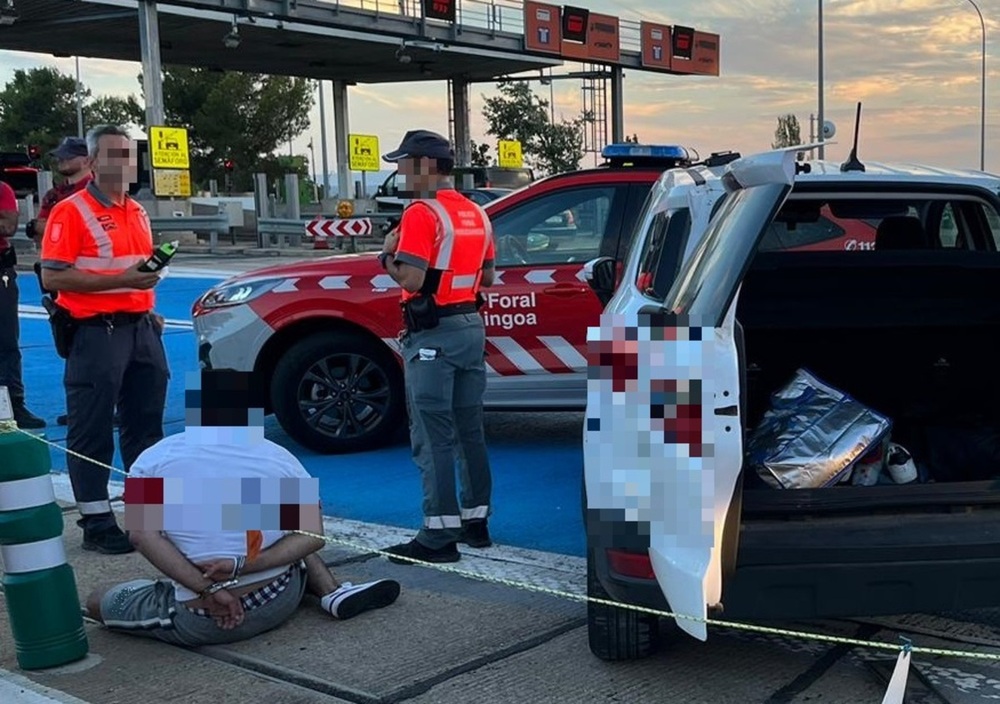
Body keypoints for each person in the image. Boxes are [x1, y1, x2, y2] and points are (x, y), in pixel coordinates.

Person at [85, 369, 401, 647]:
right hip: (278, 598)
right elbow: (313, 536)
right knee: (272, 518)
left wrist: (208, 590)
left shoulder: (152, 460)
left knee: (98, 601)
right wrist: (244, 564)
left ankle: (195, 585)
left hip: (205, 617)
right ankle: (330, 591)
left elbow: (141, 536)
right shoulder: (280, 456)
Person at [40, 124, 169, 555]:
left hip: (140, 328)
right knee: (91, 429)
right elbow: (53, 274)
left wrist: (146, 305)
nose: (125, 163)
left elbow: (137, 270)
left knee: (145, 425)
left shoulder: (138, 211)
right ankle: (97, 522)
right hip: (97, 333)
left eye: (129, 155)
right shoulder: (71, 211)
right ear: (93, 163)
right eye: (115, 155)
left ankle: (146, 519)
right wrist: (123, 280)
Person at [378, 130, 496, 564]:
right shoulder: (476, 214)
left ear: (425, 166)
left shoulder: (422, 214)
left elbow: (411, 278)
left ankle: (437, 536)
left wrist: (385, 257)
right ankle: (476, 522)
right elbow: (488, 279)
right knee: (470, 430)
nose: (399, 172)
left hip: (432, 335)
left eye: (403, 163)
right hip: (470, 328)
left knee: (432, 437)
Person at [28, 136, 96, 427]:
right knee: (70, 343)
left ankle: (105, 406)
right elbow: (38, 230)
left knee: (104, 348)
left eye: (67, 157)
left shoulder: (97, 191)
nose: (61, 162)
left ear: (85, 159)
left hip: (91, 280)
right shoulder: (55, 195)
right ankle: (81, 407)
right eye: (60, 157)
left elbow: (48, 227)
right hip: (61, 277)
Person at [0, 178, 45, 429]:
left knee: (6, 342)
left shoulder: (2, 189)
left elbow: (8, 226)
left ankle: (13, 405)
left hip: (1, 271)